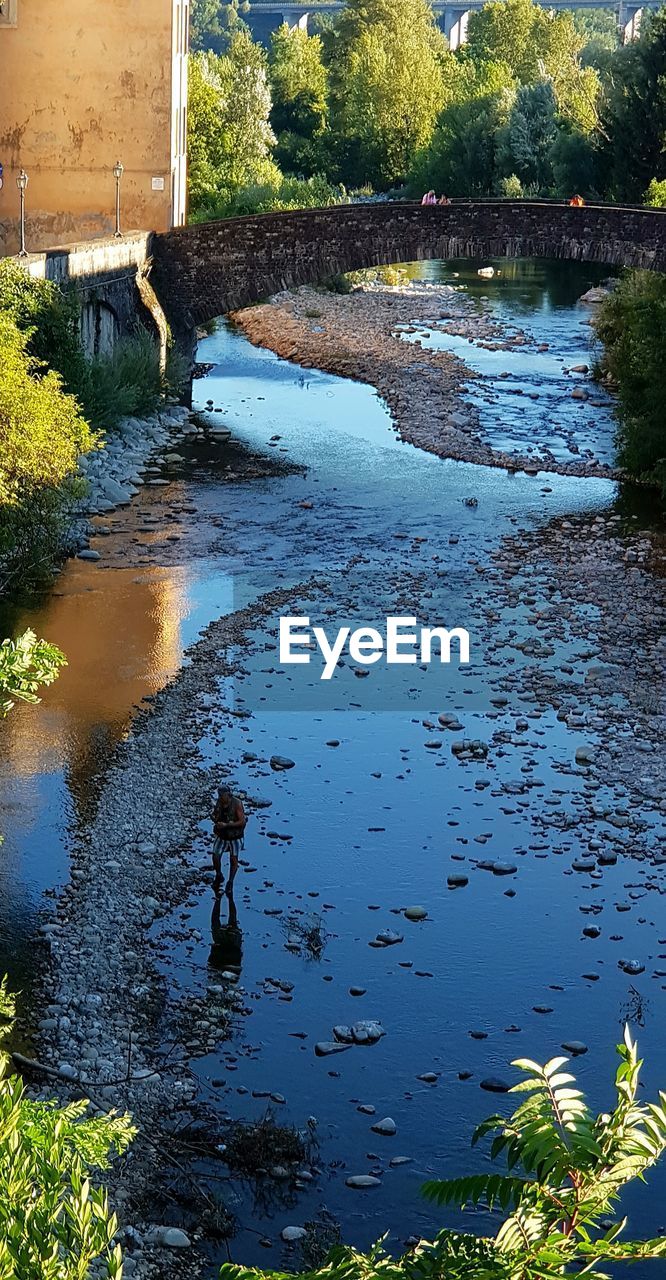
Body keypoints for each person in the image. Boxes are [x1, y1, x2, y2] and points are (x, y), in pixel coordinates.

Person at [211, 785, 247, 895]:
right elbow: (216, 814)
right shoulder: (219, 802)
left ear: (228, 794)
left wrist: (226, 825)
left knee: (233, 858)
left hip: (235, 836)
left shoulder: (237, 803)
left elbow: (242, 821)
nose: (221, 797)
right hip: (222, 835)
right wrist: (214, 818)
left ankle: (230, 882)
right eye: (219, 795)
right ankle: (218, 875)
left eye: (222, 795)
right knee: (215, 856)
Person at [209, 888, 243, 979]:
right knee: (229, 923)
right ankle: (226, 899)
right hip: (229, 949)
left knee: (225, 923)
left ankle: (220, 899)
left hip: (226, 949)